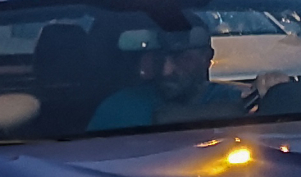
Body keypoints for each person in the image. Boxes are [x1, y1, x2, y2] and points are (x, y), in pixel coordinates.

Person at [89, 26, 242, 132]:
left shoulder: (236, 99)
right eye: (159, 59)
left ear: (206, 58)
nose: (166, 71)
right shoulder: (120, 108)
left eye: (181, 59)